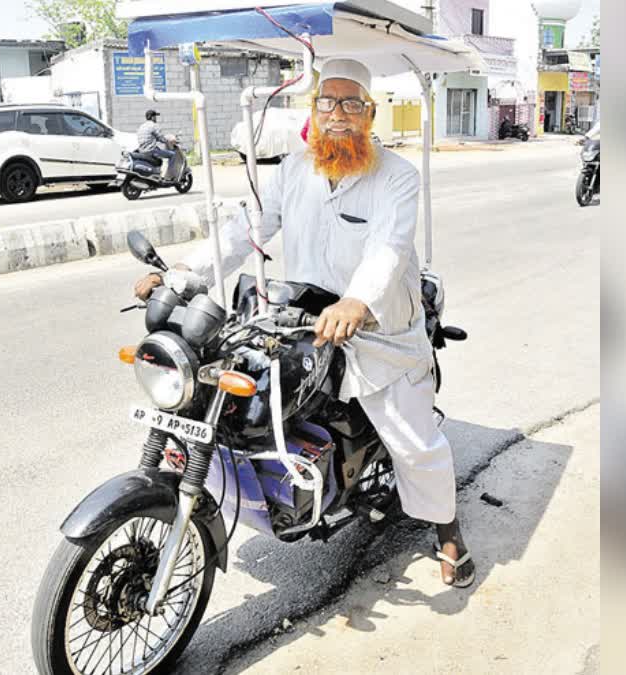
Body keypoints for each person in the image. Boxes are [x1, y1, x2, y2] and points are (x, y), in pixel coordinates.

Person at [133, 58, 475, 587]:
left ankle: (448, 530)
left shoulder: (397, 178)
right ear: (312, 109)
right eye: (327, 102)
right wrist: (185, 272)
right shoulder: (293, 169)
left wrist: (357, 301)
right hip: (300, 320)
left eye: (350, 104)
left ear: (370, 112)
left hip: (378, 330)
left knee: (412, 440)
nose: (337, 114)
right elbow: (247, 229)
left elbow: (388, 246)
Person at [136, 109, 177, 181]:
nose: (156, 118)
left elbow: (150, 137)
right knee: (172, 155)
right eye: (155, 116)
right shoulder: (153, 125)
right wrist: (169, 140)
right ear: (152, 117)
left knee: (159, 156)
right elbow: (161, 138)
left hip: (142, 150)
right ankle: (170, 176)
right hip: (151, 150)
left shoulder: (142, 126)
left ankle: (158, 175)